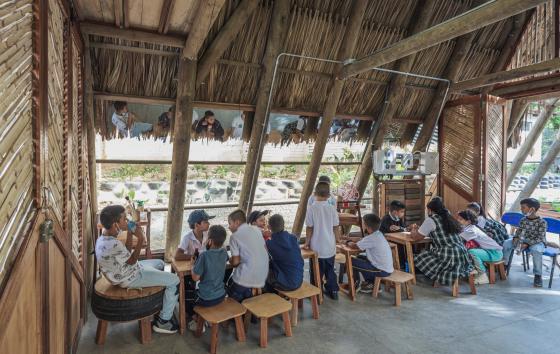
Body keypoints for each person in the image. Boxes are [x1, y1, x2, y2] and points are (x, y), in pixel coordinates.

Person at [95, 205, 179, 334]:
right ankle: (163, 321)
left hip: (128, 270)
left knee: (160, 263)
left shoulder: (103, 238)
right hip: (131, 277)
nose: (127, 220)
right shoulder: (113, 244)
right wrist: (140, 239)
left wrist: (129, 233)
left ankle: (161, 306)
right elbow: (133, 260)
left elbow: (127, 254)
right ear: (115, 224)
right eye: (124, 219)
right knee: (175, 280)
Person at [410, 197, 473, 286]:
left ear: (430, 210)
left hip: (448, 255)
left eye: (427, 210)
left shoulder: (431, 220)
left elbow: (416, 238)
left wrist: (413, 229)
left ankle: (438, 276)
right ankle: (439, 276)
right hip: (462, 253)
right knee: (431, 253)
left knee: (419, 257)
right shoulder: (449, 217)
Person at [187, 225, 229, 332]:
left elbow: (195, 278)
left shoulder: (204, 256)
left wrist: (192, 265)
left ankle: (198, 320)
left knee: (186, 296)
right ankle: (207, 318)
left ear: (209, 241)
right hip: (221, 295)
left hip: (206, 299)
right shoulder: (224, 252)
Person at [305, 181, 341, 300]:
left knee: (316, 271)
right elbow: (336, 227)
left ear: (314, 193)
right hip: (330, 245)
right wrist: (338, 239)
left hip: (316, 246)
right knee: (330, 270)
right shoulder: (332, 209)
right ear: (329, 195)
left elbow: (309, 227)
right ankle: (333, 291)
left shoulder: (311, 209)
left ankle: (316, 293)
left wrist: (307, 242)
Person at [174, 210, 214, 317]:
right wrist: (194, 257)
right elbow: (177, 256)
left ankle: (206, 304)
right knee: (187, 286)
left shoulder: (208, 234)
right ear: (197, 225)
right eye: (206, 222)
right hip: (193, 268)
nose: (209, 223)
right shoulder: (187, 237)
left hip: (203, 267)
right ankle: (190, 311)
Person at [502, 198, 547, 287]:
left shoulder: (542, 222)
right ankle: (504, 266)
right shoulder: (523, 220)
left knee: (537, 250)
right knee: (506, 243)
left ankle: (538, 275)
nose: (522, 210)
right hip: (522, 240)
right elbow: (518, 232)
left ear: (532, 209)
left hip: (536, 242)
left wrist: (527, 244)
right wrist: (515, 238)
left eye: (523, 208)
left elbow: (540, 237)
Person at [227, 209, 269, 302]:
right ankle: (252, 311)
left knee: (228, 288)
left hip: (246, 280)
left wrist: (231, 260)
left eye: (230, 223)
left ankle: (239, 313)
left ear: (237, 222)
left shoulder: (234, 237)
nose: (229, 227)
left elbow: (235, 262)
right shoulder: (257, 231)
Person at [346, 214, 394, 294]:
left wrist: (347, 242)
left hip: (380, 270)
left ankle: (355, 284)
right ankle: (372, 283)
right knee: (360, 257)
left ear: (367, 226)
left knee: (350, 261)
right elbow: (362, 240)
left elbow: (355, 246)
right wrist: (348, 238)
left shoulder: (371, 238)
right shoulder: (378, 234)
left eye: (362, 223)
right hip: (385, 268)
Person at [456, 210, 503, 285]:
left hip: (495, 253)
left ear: (468, 221)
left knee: (471, 252)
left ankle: (482, 275)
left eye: (460, 219)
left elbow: (457, 239)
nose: (457, 220)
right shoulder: (469, 228)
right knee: (470, 250)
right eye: (458, 218)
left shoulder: (471, 230)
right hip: (490, 251)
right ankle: (476, 272)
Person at [265, 214, 304, 292]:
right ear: (284, 225)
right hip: (299, 280)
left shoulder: (271, 244)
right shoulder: (293, 238)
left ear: (269, 227)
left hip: (287, 284)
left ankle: (267, 296)